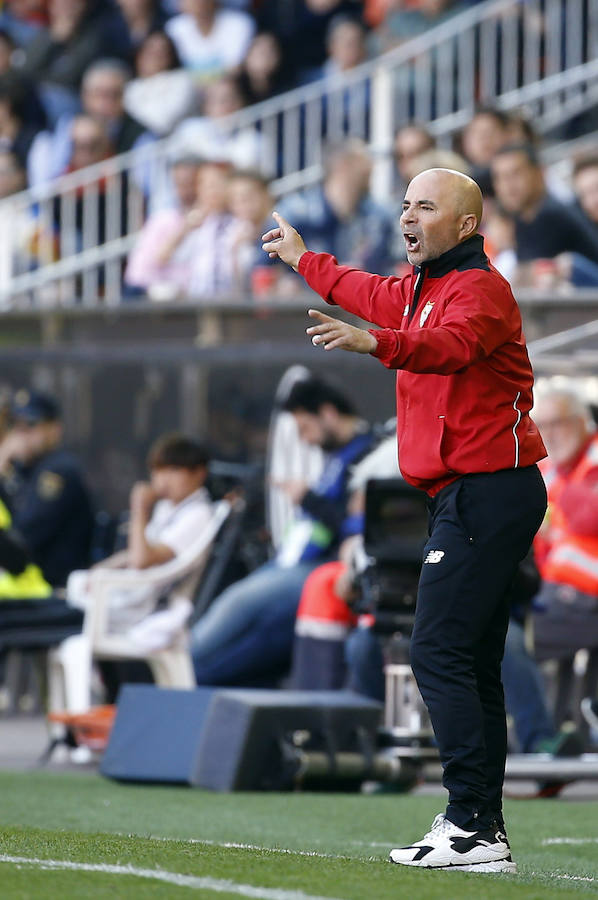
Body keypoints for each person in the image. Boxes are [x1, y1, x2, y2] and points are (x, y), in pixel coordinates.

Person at [262, 166, 547, 873]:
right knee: (471, 660)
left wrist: (374, 343)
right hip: (466, 494)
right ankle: (480, 829)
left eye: (425, 207)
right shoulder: (420, 289)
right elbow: (367, 291)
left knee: (438, 648)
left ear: (466, 226)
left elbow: (449, 348)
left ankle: (472, 824)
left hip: (490, 491)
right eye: (405, 205)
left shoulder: (480, 290)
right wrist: (304, 260)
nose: (408, 218)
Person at [190, 375, 374, 687]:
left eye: (305, 428)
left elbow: (354, 525)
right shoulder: (337, 457)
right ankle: (185, 672)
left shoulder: (368, 453)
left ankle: (183, 669)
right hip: (298, 561)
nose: (304, 439)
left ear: (327, 413)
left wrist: (308, 498)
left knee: (239, 603)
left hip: (323, 567)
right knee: (241, 610)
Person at [66, 432, 213, 645]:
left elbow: (142, 561)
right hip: (131, 595)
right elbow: (135, 554)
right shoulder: (167, 507)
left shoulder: (198, 514)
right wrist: (100, 570)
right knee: (74, 586)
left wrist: (140, 510)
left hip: (151, 611)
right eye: (157, 471)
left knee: (62, 618)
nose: (163, 479)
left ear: (199, 473)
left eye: (173, 470)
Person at [531, 385, 598, 729]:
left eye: (558, 423)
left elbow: (589, 517)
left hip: (584, 597)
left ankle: (538, 734)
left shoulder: (582, 464)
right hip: (561, 597)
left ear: (583, 421)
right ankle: (548, 734)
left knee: (507, 640)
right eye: (543, 425)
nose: (550, 434)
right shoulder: (551, 471)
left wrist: (559, 477)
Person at [0, 389, 94, 588]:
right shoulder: (22, 470)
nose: (21, 434)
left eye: (31, 425)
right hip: (25, 585)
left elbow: (23, 538)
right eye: (16, 425)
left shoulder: (59, 471)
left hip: (55, 587)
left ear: (54, 429)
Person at [491, 143, 598, 289]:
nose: (508, 185)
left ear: (540, 173)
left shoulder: (550, 214)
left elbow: (532, 277)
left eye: (516, 174)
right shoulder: (522, 218)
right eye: (500, 177)